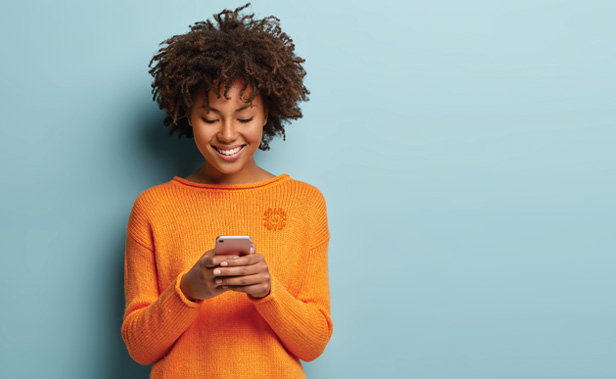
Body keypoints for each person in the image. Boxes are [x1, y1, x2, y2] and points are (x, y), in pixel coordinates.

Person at [121, 3, 333, 378]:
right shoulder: (153, 207)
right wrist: (187, 290)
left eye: (246, 116)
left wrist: (269, 293)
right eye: (210, 117)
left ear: (268, 114)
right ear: (187, 115)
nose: (228, 134)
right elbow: (139, 349)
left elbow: (313, 343)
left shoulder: (305, 203)